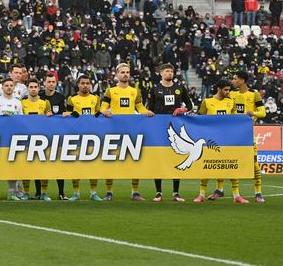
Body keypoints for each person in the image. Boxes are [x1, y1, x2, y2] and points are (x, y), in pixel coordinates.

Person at [100, 63, 154, 201]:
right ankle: (109, 192)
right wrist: (105, 112)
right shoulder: (110, 91)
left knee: (134, 161)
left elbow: (140, 107)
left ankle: (135, 192)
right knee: (110, 162)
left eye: (127, 72)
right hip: (113, 130)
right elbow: (103, 108)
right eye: (122, 72)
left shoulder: (135, 91)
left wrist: (146, 112)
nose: (125, 74)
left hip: (131, 131)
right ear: (117, 75)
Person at [147, 63, 193, 202]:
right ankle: (158, 192)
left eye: (171, 71)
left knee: (176, 157)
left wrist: (182, 110)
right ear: (161, 73)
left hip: (176, 127)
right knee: (158, 159)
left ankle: (176, 193)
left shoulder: (179, 88)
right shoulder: (155, 88)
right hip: (159, 128)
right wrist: (149, 113)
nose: (169, 73)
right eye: (167, 71)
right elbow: (150, 108)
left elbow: (190, 105)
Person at [195, 79, 246, 203]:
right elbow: (198, 118)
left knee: (231, 166)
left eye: (229, 90)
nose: (228, 92)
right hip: (211, 140)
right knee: (206, 167)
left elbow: (235, 119)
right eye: (226, 90)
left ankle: (237, 195)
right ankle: (201, 195)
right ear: (219, 89)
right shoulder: (207, 101)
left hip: (227, 139)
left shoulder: (231, 102)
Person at [63, 75, 103, 201]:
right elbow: (66, 114)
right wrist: (70, 114)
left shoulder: (96, 98)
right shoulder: (72, 99)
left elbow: (99, 113)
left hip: (92, 135)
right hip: (77, 135)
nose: (85, 85)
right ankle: (76, 193)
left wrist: (100, 114)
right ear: (78, 85)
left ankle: (93, 192)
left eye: (87, 83)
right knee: (76, 165)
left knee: (93, 165)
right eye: (83, 83)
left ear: (90, 84)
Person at [0, 77, 28, 201]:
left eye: (11, 85)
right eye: (6, 85)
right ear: (2, 87)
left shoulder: (18, 102)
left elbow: (21, 120)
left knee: (13, 165)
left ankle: (12, 193)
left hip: (13, 137)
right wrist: (1, 117)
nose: (9, 87)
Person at [230, 71, 266, 202]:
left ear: (242, 81)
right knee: (233, 163)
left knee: (254, 164)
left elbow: (263, 112)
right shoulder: (231, 94)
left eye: (235, 79)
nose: (233, 81)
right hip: (233, 134)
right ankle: (236, 194)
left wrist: (253, 112)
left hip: (248, 134)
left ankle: (258, 193)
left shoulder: (254, 94)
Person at [21, 78, 53, 201]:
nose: (33, 89)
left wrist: (49, 116)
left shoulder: (45, 103)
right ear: (27, 89)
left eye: (35, 87)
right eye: (31, 87)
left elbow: (50, 119)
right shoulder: (22, 103)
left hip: (41, 139)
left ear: (39, 89)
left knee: (42, 168)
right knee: (26, 167)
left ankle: (44, 192)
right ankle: (26, 192)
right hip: (26, 139)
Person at [39, 74, 67, 200]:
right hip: (40, 134)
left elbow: (62, 114)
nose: (51, 84)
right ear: (44, 83)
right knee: (39, 164)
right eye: (49, 81)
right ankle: (39, 192)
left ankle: (61, 192)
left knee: (58, 164)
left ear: (56, 83)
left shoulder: (60, 97)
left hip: (56, 134)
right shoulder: (39, 95)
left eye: (53, 82)